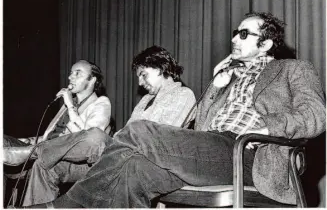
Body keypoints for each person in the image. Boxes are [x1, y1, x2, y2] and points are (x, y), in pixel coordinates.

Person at [25, 12, 326, 208]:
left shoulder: (292, 69)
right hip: (218, 152)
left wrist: (265, 128)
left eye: (244, 34)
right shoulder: (229, 76)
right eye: (235, 32)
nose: (234, 38)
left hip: (251, 156)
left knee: (139, 131)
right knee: (134, 170)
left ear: (266, 43)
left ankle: (63, 206)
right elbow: (203, 130)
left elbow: (316, 115)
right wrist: (217, 87)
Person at [6, 46, 196, 206]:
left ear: (159, 68)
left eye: (143, 75)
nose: (140, 82)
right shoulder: (146, 99)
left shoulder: (183, 95)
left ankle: (33, 151)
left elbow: (154, 139)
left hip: (137, 160)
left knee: (95, 136)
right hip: (116, 155)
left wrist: (117, 140)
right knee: (48, 166)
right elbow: (127, 132)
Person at [3, 60, 112, 206]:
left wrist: (70, 106)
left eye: (77, 73)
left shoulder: (101, 103)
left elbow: (86, 139)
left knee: (45, 162)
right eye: (71, 73)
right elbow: (51, 136)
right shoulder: (67, 105)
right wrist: (26, 141)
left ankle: (30, 154)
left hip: (72, 160)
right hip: (45, 147)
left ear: (92, 80)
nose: (70, 77)